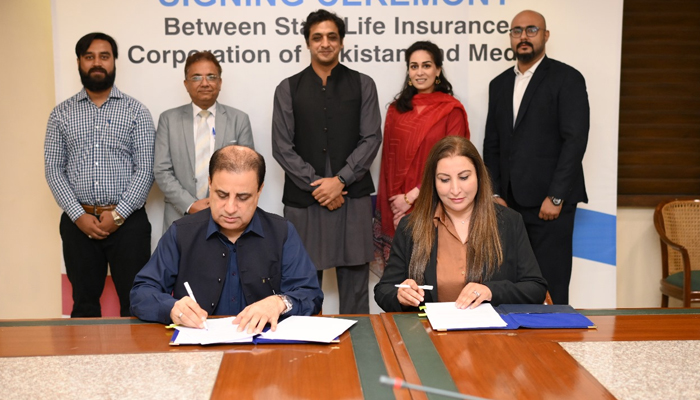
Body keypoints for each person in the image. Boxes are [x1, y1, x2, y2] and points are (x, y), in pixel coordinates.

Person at [131, 146, 323, 333]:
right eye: (222, 195)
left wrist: (280, 303)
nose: (230, 208)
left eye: (243, 197)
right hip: (197, 352)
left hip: (265, 351)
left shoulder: (282, 232)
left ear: (259, 191)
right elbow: (141, 293)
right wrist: (171, 308)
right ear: (210, 184)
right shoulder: (181, 232)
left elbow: (311, 295)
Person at [272, 10, 382, 314]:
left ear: (342, 42)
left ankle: (361, 353)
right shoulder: (287, 88)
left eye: (331, 36)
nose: (325, 43)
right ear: (307, 43)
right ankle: (310, 357)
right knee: (302, 289)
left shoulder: (363, 84)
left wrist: (341, 180)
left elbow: (371, 138)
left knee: (356, 291)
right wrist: (320, 186)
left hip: (352, 198)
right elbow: (281, 147)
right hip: (304, 200)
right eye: (317, 37)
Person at [44, 32, 155, 317]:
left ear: (114, 62)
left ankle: (138, 363)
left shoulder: (136, 112)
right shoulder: (61, 114)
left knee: (136, 304)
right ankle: (85, 363)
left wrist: (118, 215)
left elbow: (145, 169)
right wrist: (78, 215)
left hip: (129, 224)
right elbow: (54, 169)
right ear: (79, 62)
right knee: (83, 305)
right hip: (78, 222)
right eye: (89, 57)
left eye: (104, 56)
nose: (97, 63)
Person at [483, 10, 589, 304]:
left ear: (545, 35)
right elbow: (491, 144)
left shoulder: (566, 78)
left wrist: (556, 197)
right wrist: (494, 194)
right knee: (511, 283)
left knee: (551, 282)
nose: (524, 37)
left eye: (531, 30)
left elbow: (575, 141)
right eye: (517, 31)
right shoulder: (499, 84)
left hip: (549, 205)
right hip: (509, 206)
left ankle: (556, 345)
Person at [374, 136, 547, 312]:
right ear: (433, 182)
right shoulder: (410, 226)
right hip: (430, 334)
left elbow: (535, 288)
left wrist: (491, 291)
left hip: (493, 335)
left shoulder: (509, 221)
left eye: (464, 177)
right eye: (444, 180)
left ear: (479, 176)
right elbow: (384, 290)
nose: (455, 190)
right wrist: (400, 295)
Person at [373, 41, 470, 275]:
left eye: (426, 65)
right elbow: (388, 163)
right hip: (395, 204)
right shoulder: (396, 110)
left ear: (438, 70)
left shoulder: (451, 110)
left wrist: (412, 198)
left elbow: (455, 162)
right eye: (413, 66)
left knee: (433, 276)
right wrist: (397, 207)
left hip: (435, 203)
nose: (420, 72)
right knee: (401, 283)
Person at [155, 51, 254, 231]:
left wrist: (220, 204)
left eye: (211, 76)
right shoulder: (168, 119)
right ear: (186, 84)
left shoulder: (239, 119)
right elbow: (162, 170)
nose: (205, 83)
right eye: (196, 77)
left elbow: (246, 172)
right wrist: (190, 204)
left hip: (227, 217)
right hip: (179, 217)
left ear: (220, 82)